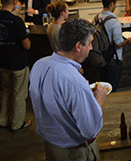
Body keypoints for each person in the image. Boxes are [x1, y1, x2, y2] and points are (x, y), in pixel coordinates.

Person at [29, 18, 108, 161]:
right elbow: (90, 130)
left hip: (51, 146)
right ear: (78, 46)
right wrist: (98, 100)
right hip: (74, 153)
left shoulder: (39, 65)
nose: (91, 48)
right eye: (89, 43)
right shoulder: (75, 82)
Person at [0, 0, 31, 132]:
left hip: (2, 61)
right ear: (13, 2)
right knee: (19, 94)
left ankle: (2, 120)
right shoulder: (16, 21)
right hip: (18, 63)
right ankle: (17, 123)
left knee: (5, 91)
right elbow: (26, 45)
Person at [96, 0, 131, 92]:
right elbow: (118, 43)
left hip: (102, 57)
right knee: (112, 88)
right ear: (112, 4)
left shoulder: (98, 17)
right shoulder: (114, 22)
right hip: (113, 59)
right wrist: (127, 41)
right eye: (115, 4)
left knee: (103, 88)